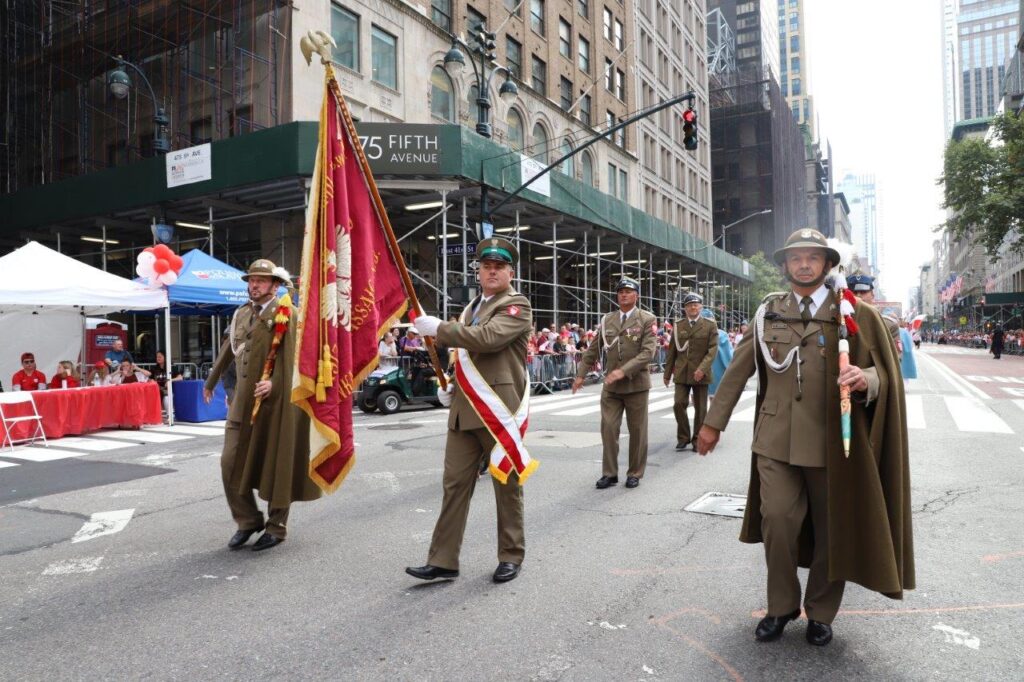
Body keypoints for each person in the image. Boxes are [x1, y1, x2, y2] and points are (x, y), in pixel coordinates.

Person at [697, 228, 913, 647]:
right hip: (775, 439)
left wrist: (865, 378)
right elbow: (738, 370)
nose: (804, 264)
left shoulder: (853, 314)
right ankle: (780, 606)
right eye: (796, 257)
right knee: (777, 520)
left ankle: (820, 612)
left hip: (835, 442)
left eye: (813, 257)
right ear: (785, 265)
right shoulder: (767, 312)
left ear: (827, 264)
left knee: (833, 530)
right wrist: (712, 424)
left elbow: (886, 373)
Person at [404, 237, 534, 584]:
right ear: (478, 272)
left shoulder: (517, 305)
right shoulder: (470, 309)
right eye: (486, 266)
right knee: (454, 485)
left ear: (510, 273)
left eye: (499, 267)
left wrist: (440, 328)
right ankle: (443, 560)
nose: (492, 272)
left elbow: (488, 339)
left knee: (506, 484)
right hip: (465, 410)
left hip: (498, 410)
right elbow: (464, 356)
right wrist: (450, 385)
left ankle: (511, 554)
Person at [204, 259, 321, 552]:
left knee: (276, 462)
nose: (253, 285)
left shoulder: (288, 313)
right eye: (251, 280)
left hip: (275, 402)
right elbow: (229, 348)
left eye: (260, 280)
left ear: (275, 285)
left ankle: (276, 526)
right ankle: (247, 520)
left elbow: (297, 361)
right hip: (242, 401)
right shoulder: (242, 313)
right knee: (229, 463)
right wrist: (211, 380)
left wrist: (276, 384)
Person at [572, 276, 658, 489]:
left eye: (628, 292)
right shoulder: (607, 320)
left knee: (637, 431)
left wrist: (623, 371)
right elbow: (593, 350)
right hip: (611, 387)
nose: (624, 295)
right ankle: (609, 473)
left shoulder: (647, 319)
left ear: (636, 295)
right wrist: (581, 375)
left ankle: (635, 472)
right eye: (621, 292)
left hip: (636, 384)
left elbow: (648, 353)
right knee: (609, 428)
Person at [663, 292, 718, 452]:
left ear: (701, 307)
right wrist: (667, 374)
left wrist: (702, 369)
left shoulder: (709, 325)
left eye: (696, 304)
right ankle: (683, 437)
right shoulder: (678, 325)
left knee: (700, 409)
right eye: (689, 305)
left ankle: (697, 440)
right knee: (678, 404)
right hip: (682, 372)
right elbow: (672, 351)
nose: (693, 307)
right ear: (685, 308)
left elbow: (712, 350)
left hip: (701, 373)